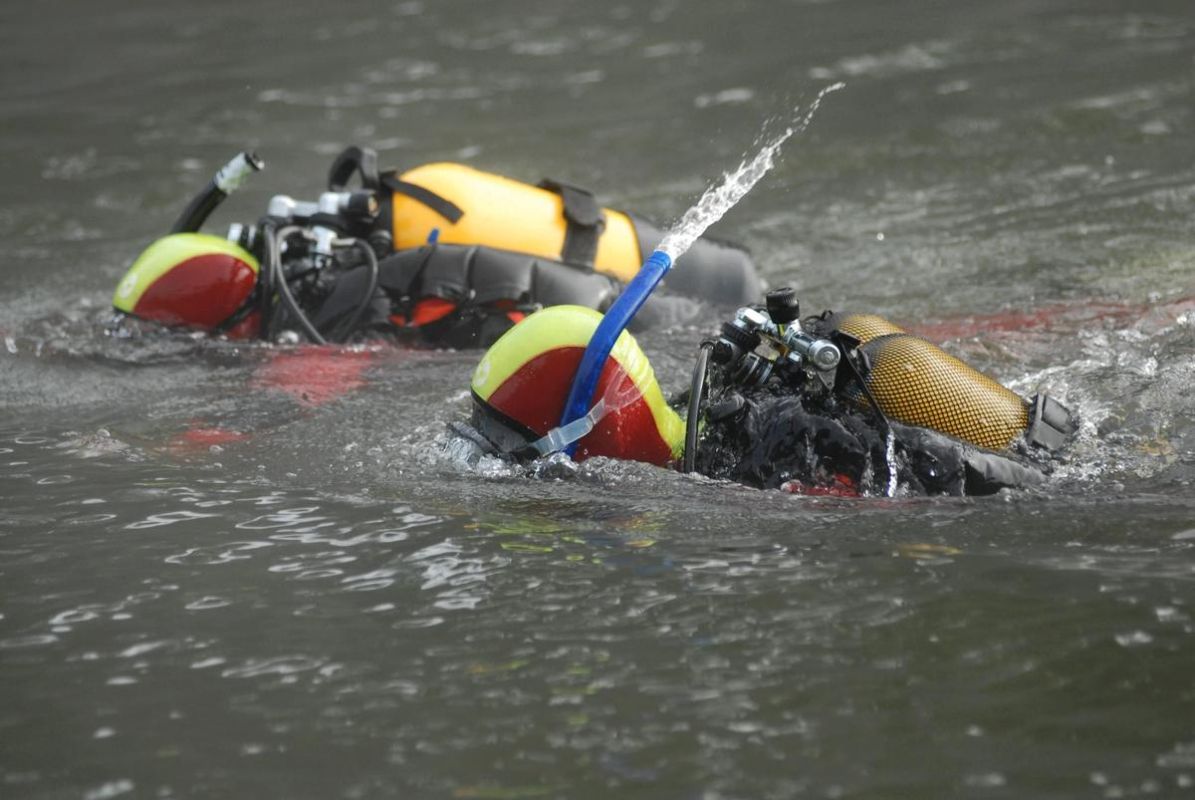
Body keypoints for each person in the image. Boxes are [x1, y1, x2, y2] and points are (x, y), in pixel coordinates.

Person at [111, 147, 759, 348]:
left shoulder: (315, 317)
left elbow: (301, 399)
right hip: (595, 297)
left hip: (602, 317)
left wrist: (205, 435)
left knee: (712, 337)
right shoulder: (323, 274)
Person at [456, 293, 1079, 497]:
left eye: (514, 442)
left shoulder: (773, 455)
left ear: (591, 429)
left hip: (1043, 465)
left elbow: (980, 480)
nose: (507, 457)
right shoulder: (697, 426)